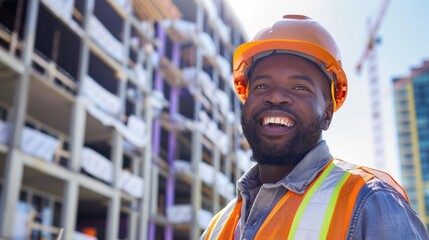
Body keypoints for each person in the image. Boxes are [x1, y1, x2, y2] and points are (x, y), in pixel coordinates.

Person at [200, 15, 428, 239]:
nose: (277, 96)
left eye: (300, 87)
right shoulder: (217, 227)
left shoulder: (369, 202)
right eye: (262, 85)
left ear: (327, 114)